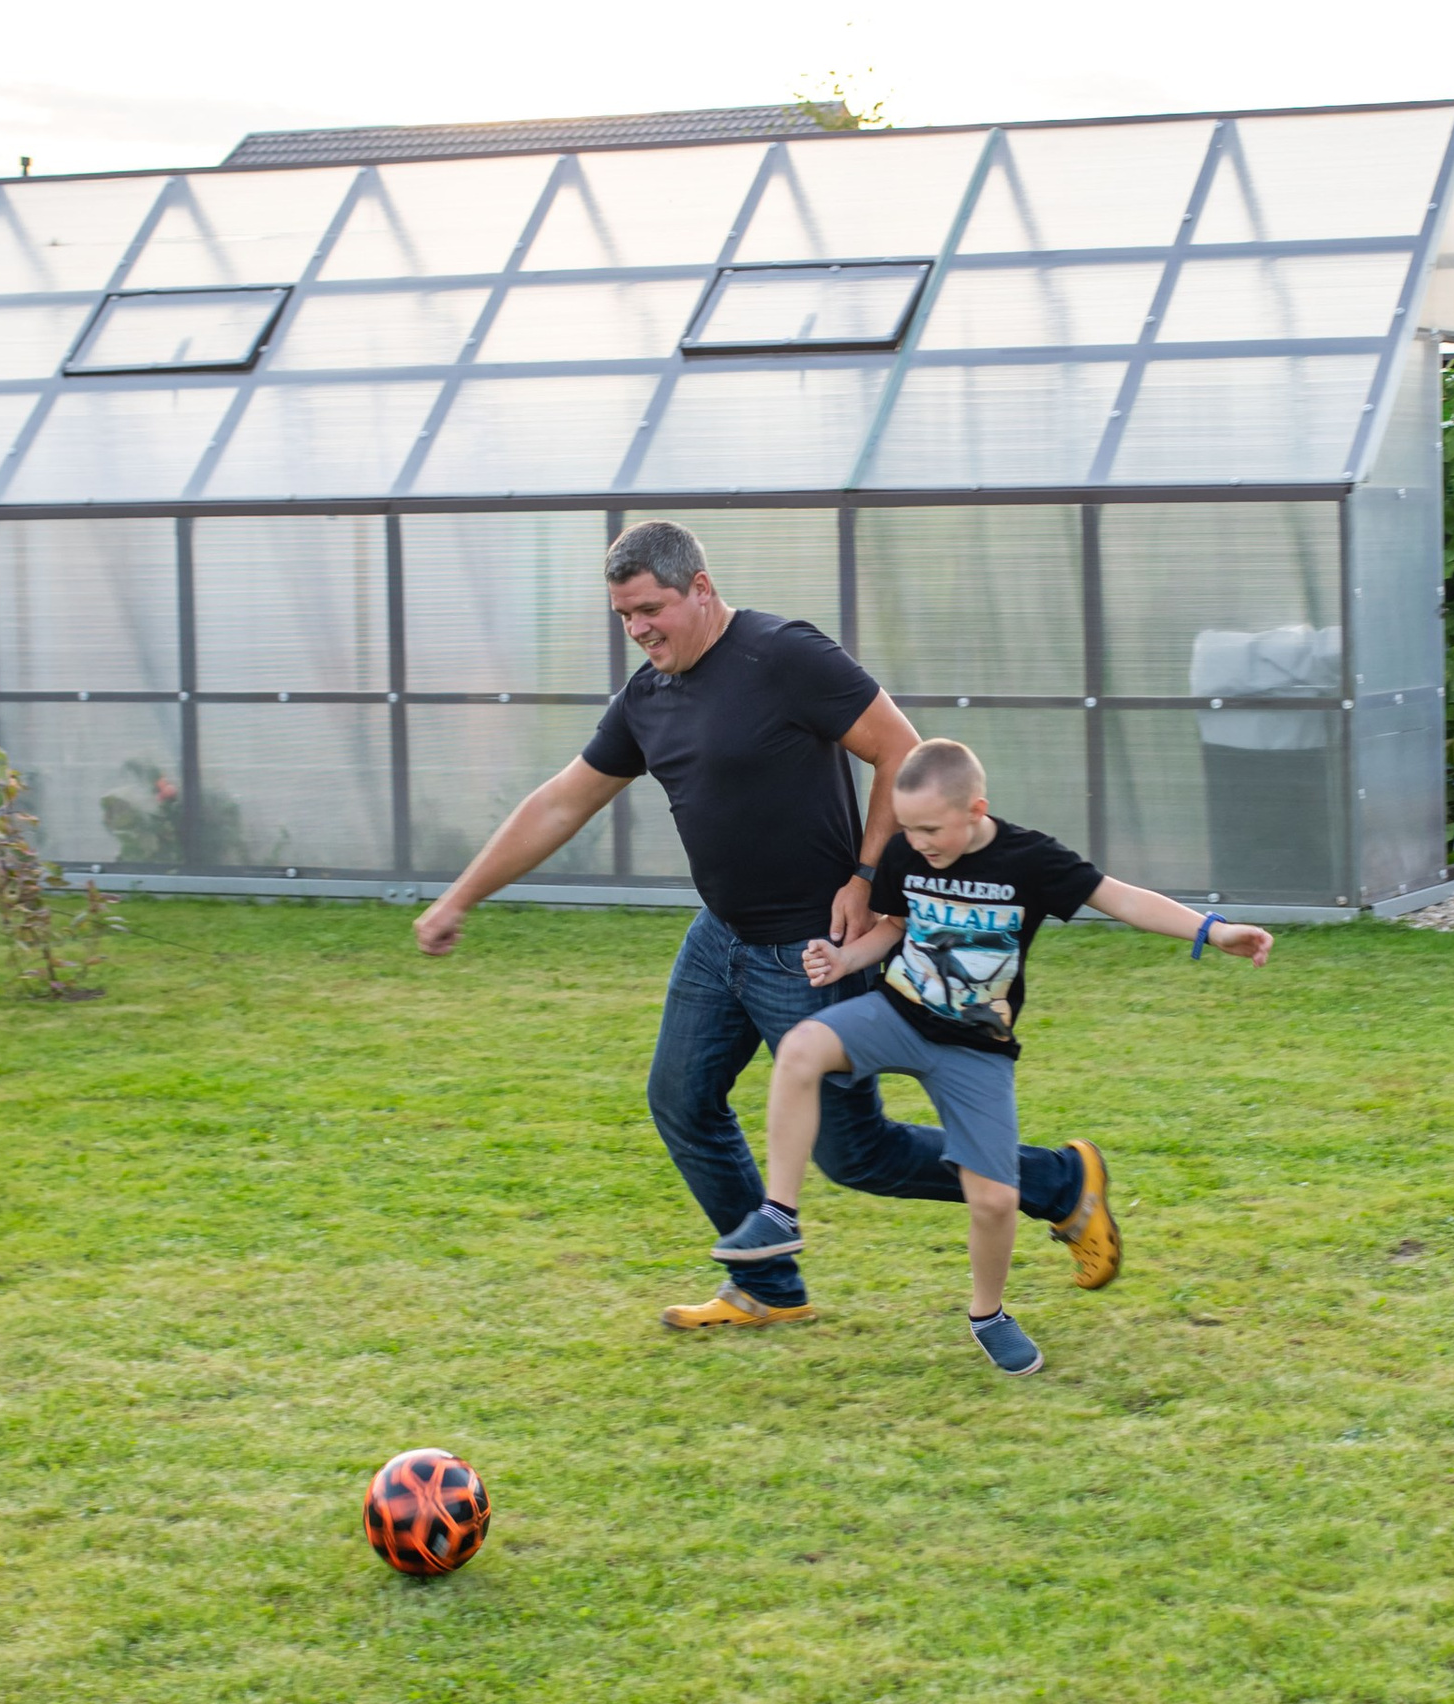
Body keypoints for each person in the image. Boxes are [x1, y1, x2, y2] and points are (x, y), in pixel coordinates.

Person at [412, 520, 1122, 1327]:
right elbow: (560, 803)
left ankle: (1061, 1182)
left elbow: (899, 749)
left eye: (650, 609)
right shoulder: (647, 699)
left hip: (813, 948)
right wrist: (460, 897)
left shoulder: (783, 654)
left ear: (701, 589)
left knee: (857, 1153)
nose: (638, 629)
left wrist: (868, 876)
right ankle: (767, 1286)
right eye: (624, 616)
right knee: (682, 1102)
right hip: (721, 938)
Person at [710, 736, 1270, 1374]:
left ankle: (989, 1315)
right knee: (801, 1048)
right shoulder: (906, 849)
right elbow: (894, 925)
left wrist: (1213, 930)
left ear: (975, 809)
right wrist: (844, 960)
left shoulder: (1030, 858)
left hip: (975, 1047)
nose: (917, 842)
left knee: (996, 1200)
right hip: (897, 1015)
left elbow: (1120, 898)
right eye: (908, 828)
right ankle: (780, 1215)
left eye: (931, 829)